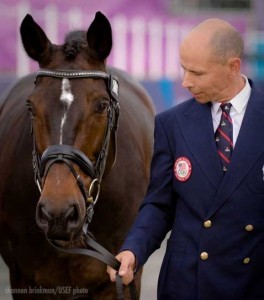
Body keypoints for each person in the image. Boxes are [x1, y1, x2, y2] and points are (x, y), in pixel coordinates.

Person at [107, 18, 264, 300]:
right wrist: (134, 249)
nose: (186, 82)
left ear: (233, 67)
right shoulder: (172, 124)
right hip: (187, 286)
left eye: (197, 73)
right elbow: (159, 204)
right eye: (183, 69)